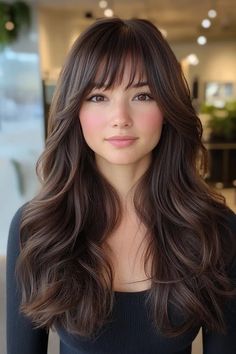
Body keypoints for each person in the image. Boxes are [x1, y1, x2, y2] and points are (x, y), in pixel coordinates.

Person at [6, 17, 236, 354]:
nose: (120, 117)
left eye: (142, 95)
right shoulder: (36, 228)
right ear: (75, 109)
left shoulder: (215, 228)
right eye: (98, 96)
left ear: (168, 107)